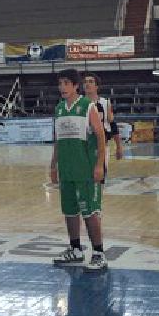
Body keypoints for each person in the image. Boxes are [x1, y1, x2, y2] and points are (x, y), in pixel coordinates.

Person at [50, 68, 110, 271]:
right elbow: (57, 139)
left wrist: (100, 164)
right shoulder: (58, 108)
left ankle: (99, 253)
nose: (62, 87)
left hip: (85, 169)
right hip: (66, 169)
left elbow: (101, 136)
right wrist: (53, 165)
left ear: (76, 85)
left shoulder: (87, 106)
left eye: (66, 83)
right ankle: (75, 249)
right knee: (70, 211)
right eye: (60, 84)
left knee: (90, 212)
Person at [82, 73, 124, 171]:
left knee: (99, 179)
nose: (87, 84)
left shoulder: (105, 103)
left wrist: (119, 146)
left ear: (97, 86)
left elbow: (113, 125)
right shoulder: (78, 104)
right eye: (85, 82)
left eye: (91, 82)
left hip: (101, 147)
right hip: (83, 147)